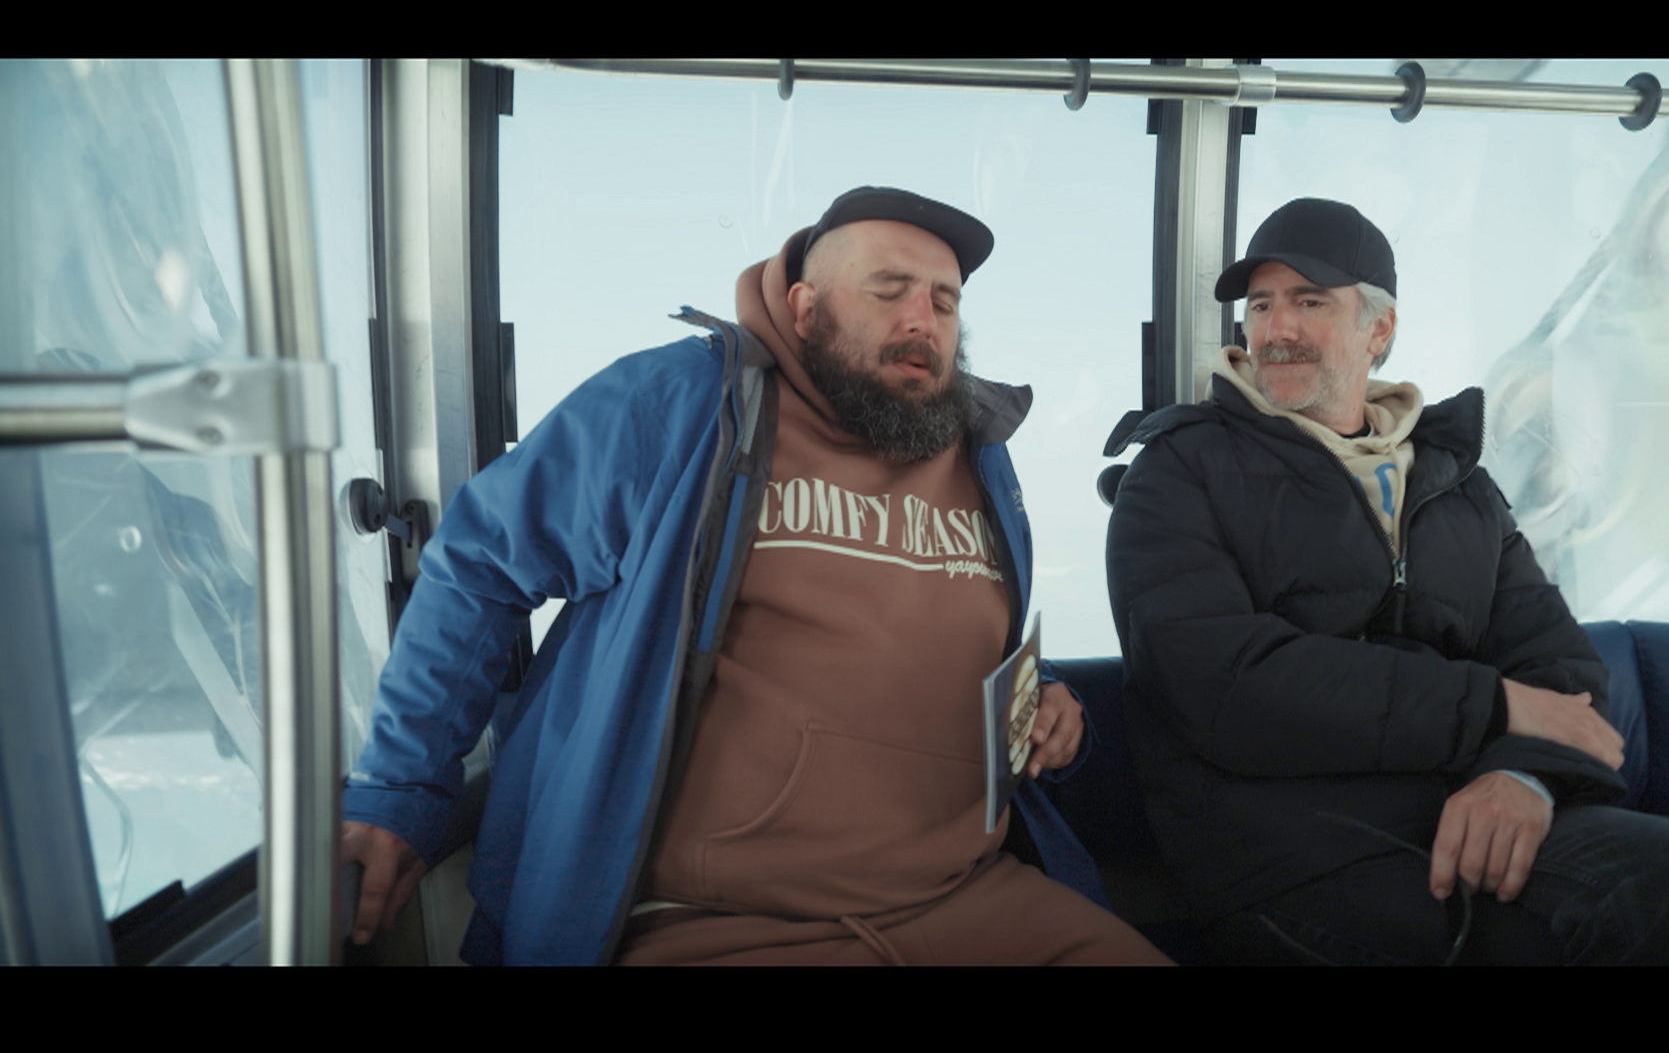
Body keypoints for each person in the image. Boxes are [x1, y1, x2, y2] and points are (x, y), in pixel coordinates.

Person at [341, 186, 1170, 966]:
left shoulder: (978, 450)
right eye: (889, 290)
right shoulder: (683, 404)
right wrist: (403, 789)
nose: (923, 319)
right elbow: (481, 564)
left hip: (966, 896)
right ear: (806, 308)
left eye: (945, 302)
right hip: (714, 920)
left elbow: (966, 636)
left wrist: (1044, 697)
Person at [1104, 197, 1669, 965]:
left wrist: (1522, 776)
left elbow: (1559, 668)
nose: (1276, 329)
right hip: (1291, 856)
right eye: (1260, 305)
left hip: (1461, 808)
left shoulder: (1455, 482)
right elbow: (1221, 683)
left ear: (1379, 330)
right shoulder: (1178, 473)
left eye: (1309, 303)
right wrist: (1492, 706)